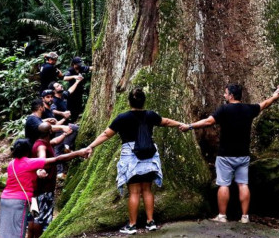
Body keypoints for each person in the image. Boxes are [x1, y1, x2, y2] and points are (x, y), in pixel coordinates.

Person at [83, 89, 186, 235]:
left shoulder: (122, 117)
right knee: (147, 190)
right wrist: (181, 124)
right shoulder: (150, 115)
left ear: (129, 101)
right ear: (144, 101)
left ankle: (132, 225)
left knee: (134, 192)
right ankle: (151, 222)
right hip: (149, 155)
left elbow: (106, 134)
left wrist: (90, 146)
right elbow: (166, 121)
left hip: (131, 157)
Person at [179, 84, 279, 224]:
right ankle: (245, 217)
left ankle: (222, 216)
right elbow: (265, 104)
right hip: (243, 154)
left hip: (225, 155)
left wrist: (189, 126)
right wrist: (275, 96)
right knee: (243, 184)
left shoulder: (224, 109)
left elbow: (208, 121)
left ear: (231, 95)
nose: (224, 95)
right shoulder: (249, 109)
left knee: (223, 184)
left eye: (226, 93)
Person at [0, 138, 89, 238]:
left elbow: (23, 174)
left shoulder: (11, 164)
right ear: (28, 150)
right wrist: (78, 153)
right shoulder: (30, 161)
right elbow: (57, 159)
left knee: (6, 230)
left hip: (6, 199)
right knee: (23, 228)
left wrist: (37, 172)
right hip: (22, 200)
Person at [27, 122, 68, 238]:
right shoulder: (41, 147)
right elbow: (42, 158)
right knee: (41, 218)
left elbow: (54, 142)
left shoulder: (41, 143)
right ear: (50, 132)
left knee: (34, 216)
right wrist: (41, 168)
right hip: (43, 190)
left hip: (36, 189)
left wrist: (64, 134)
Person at [64, 57, 91, 122]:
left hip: (79, 91)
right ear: (73, 64)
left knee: (78, 107)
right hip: (72, 91)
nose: (79, 65)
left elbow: (89, 68)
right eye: (77, 64)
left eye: (80, 64)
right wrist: (74, 76)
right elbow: (65, 78)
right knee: (71, 107)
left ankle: (75, 119)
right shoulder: (71, 70)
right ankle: (69, 121)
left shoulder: (81, 68)